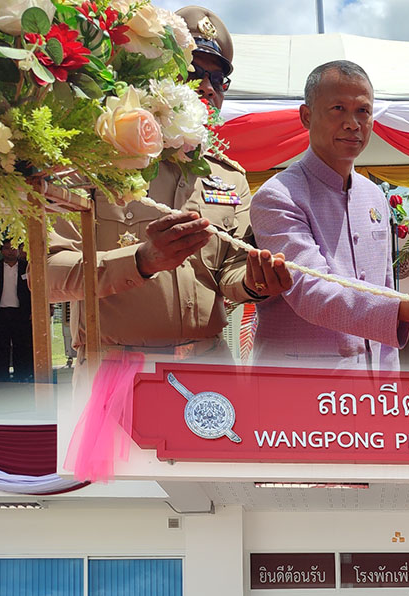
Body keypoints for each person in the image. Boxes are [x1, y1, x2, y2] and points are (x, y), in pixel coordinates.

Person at [47, 7, 291, 358]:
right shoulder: (96, 163)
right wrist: (140, 261)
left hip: (210, 366)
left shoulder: (228, 176)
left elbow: (231, 272)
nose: (207, 87)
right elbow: (49, 277)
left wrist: (254, 282)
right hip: (120, 371)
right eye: (193, 72)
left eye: (219, 79)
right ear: (158, 76)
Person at [249, 60, 409, 368]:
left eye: (363, 111)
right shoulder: (279, 196)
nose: (352, 123)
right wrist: (405, 308)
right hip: (304, 381)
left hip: (372, 384)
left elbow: (385, 285)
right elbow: (312, 291)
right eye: (338, 109)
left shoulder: (374, 195)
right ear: (306, 116)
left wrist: (389, 382)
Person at [0, 242, 32, 383]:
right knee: (0, 347)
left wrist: (32, 311)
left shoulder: (27, 267)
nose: (10, 251)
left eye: (13, 248)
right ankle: (1, 379)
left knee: (21, 346)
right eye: (6, 248)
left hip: (21, 313)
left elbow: (34, 290)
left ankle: (21, 377)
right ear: (1, 251)